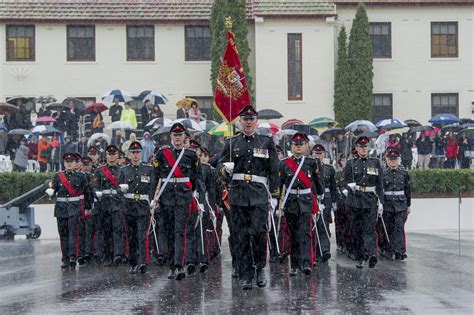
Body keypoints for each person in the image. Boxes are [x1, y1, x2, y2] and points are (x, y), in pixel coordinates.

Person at [217, 105, 279, 290]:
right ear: (240, 122)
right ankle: (246, 274)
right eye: (245, 119)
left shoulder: (266, 142)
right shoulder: (231, 143)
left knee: (259, 233)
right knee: (241, 235)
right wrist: (223, 168)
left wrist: (274, 196)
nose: (248, 122)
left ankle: (259, 268)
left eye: (251, 119)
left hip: (259, 195)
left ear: (256, 122)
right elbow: (218, 164)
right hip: (238, 194)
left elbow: (274, 170)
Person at [153, 122, 200, 280]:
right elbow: (156, 176)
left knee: (180, 231)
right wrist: (153, 198)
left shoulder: (191, 155)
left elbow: (194, 178)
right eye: (175, 135)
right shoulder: (162, 154)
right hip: (166, 198)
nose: (177, 138)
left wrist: (191, 192)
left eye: (180, 135)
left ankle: (179, 265)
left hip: (183, 197)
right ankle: (172, 266)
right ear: (170, 137)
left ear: (184, 137)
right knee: (170, 232)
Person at [277, 133, 323, 276]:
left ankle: (306, 263)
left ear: (305, 146)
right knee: (293, 234)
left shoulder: (311, 162)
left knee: (306, 233)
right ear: (291, 146)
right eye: (295, 144)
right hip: (291, 202)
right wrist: (277, 202)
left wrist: (320, 199)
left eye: (301, 144)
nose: (298, 147)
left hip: (306, 202)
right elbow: (280, 185)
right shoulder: (284, 163)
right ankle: (295, 265)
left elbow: (317, 183)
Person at [343, 135, 384, 269]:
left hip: (371, 199)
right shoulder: (351, 163)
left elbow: (380, 184)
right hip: (356, 199)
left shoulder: (375, 162)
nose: (363, 149)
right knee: (358, 230)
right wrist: (349, 187)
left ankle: (372, 254)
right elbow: (344, 181)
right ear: (356, 148)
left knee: (370, 229)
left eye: (365, 146)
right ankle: (361, 256)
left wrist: (381, 202)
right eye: (361, 147)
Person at [46, 152, 89, 269]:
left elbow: (86, 192)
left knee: (73, 234)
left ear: (75, 163)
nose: (69, 164)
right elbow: (53, 189)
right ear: (64, 163)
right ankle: (64, 258)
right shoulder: (57, 176)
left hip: (74, 207)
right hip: (61, 208)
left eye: (71, 162)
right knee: (63, 234)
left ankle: (72, 257)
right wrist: (51, 192)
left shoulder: (81, 176)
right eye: (67, 162)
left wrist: (87, 207)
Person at [119, 141, 155, 274]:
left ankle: (143, 262)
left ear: (141, 153)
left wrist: (153, 201)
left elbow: (152, 188)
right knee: (131, 236)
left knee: (142, 235)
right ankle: (133, 263)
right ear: (129, 154)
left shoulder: (148, 169)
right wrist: (121, 189)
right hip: (129, 206)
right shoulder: (124, 170)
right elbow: (118, 188)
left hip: (143, 206)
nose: (135, 155)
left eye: (138, 152)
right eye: (133, 153)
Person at [92, 145, 126, 266]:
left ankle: (117, 254)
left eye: (114, 154)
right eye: (109, 154)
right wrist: (97, 193)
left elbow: (126, 185)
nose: (111, 157)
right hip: (104, 203)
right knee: (106, 231)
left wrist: (122, 191)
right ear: (106, 156)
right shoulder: (100, 170)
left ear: (117, 155)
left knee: (117, 230)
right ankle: (107, 256)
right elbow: (95, 185)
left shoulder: (122, 170)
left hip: (117, 203)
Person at [379, 147, 410, 261]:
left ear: (398, 159)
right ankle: (388, 250)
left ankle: (400, 251)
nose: (393, 161)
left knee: (399, 228)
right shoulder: (383, 174)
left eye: (395, 159)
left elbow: (407, 190)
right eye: (390, 159)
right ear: (386, 160)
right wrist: (380, 204)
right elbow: (380, 190)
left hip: (401, 204)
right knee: (388, 228)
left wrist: (409, 205)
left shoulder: (404, 173)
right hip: (387, 204)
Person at [312, 143, 336, 263]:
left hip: (325, 199)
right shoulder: (309, 166)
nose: (317, 155)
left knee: (324, 225)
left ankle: (325, 250)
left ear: (324, 155)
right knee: (313, 226)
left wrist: (334, 201)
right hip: (313, 198)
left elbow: (333, 186)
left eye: (320, 153)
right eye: (316, 153)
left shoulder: (329, 168)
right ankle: (315, 251)